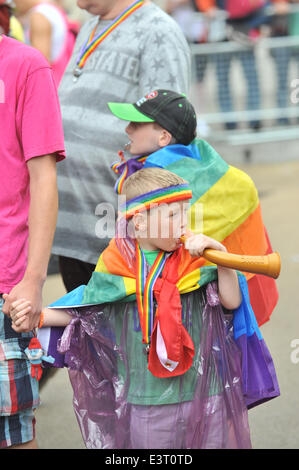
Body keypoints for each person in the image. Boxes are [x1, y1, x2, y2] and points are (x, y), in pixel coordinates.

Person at [11, 166, 279, 449]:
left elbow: (232, 301)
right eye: (173, 215)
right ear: (139, 223)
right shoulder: (116, 266)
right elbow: (85, 311)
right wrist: (38, 316)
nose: (183, 223)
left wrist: (222, 260)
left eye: (186, 213)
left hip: (205, 394)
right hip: (146, 401)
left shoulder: (197, 261)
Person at [51, 0, 192, 294]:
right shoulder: (90, 25)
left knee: (121, 335)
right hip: (73, 226)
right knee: (83, 333)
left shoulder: (158, 30)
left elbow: (170, 128)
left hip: (115, 236)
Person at [0, 23, 65, 449]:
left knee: (13, 430)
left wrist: (33, 280)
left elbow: (43, 179)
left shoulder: (24, 65)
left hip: (6, 278)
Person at [14, 0, 79, 85]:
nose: (14, 4)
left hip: (51, 87)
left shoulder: (39, 16)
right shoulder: (52, 8)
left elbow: (40, 67)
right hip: (62, 81)